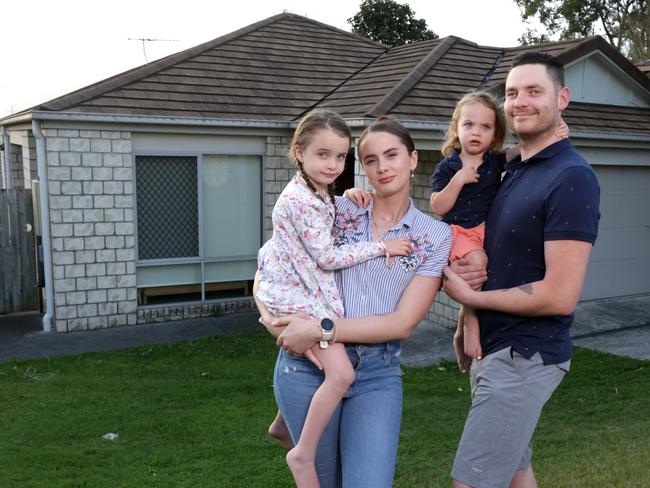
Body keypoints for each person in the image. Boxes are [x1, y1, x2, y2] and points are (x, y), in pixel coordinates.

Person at [255, 116, 452, 487]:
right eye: (370, 160)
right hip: (307, 367)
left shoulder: (435, 236)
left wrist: (320, 327)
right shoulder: (337, 209)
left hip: (377, 372)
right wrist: (269, 317)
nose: (382, 167)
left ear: (413, 159)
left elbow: (403, 323)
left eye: (392, 155)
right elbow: (271, 261)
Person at [442, 52, 600, 488]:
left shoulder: (571, 177)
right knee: (516, 473)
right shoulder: (509, 170)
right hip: (495, 348)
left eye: (535, 91)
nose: (520, 102)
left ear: (562, 98)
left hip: (526, 354)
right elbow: (492, 255)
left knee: (470, 482)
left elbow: (559, 294)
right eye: (513, 93)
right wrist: (467, 318)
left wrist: (471, 299)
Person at [430, 91, 568, 370]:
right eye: (468, 125)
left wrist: (554, 131)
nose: (476, 132)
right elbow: (438, 207)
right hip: (459, 232)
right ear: (456, 129)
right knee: (477, 266)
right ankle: (470, 320)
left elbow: (524, 149)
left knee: (485, 274)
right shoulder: (449, 166)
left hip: (485, 231)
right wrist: (459, 180)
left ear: (494, 135)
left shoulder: (493, 162)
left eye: (485, 126)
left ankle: (463, 324)